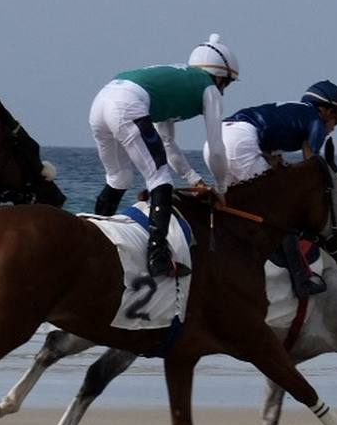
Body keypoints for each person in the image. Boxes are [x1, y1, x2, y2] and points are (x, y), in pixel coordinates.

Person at [88, 33, 239, 278]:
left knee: (119, 178)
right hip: (127, 106)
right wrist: (222, 187)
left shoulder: (177, 83)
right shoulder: (209, 88)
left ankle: (93, 237)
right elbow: (216, 148)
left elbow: (167, 144)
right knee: (160, 180)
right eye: (227, 84)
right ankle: (158, 257)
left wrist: (193, 179)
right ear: (220, 77)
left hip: (101, 102)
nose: (224, 91)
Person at [213, 79, 337, 295]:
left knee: (242, 205)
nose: (334, 127)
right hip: (240, 142)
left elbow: (275, 161)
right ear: (324, 110)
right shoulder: (314, 120)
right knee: (281, 211)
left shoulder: (292, 116)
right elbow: (312, 171)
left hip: (217, 138)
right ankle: (301, 279)